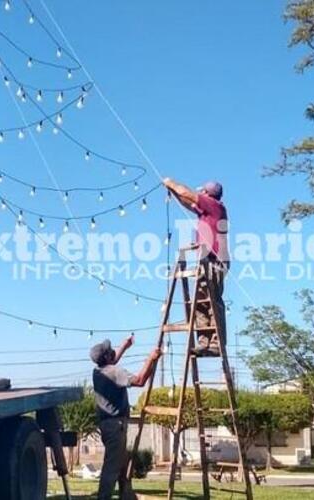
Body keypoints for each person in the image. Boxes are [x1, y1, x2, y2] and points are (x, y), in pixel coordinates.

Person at [162, 178, 229, 357]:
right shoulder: (207, 210)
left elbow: (187, 194)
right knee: (200, 301)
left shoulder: (215, 206)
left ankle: (216, 342)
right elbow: (187, 202)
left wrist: (171, 183)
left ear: (207, 194)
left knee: (212, 300)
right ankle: (204, 341)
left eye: (202, 192)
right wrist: (174, 193)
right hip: (206, 260)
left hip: (215, 261)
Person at [90, 335, 161, 500]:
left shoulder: (98, 372)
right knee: (111, 468)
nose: (112, 351)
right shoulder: (115, 372)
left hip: (107, 425)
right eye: (110, 351)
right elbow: (140, 381)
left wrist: (124, 346)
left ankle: (127, 496)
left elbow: (112, 362)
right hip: (116, 426)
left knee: (123, 464)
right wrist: (150, 359)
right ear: (107, 357)